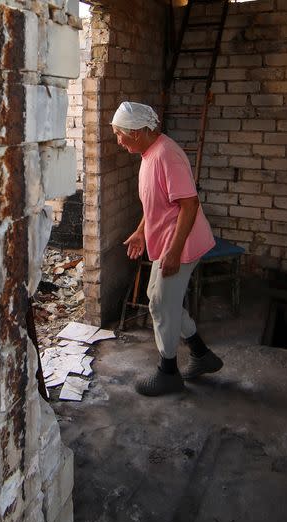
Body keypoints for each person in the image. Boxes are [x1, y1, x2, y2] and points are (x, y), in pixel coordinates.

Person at [112, 101, 224, 396]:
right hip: (169, 241)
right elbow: (156, 203)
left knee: (161, 305)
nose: (118, 141)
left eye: (119, 134)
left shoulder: (166, 155)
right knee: (160, 300)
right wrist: (140, 232)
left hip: (182, 244)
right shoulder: (149, 154)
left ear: (137, 132)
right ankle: (202, 355)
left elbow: (189, 204)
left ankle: (169, 372)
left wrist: (174, 252)